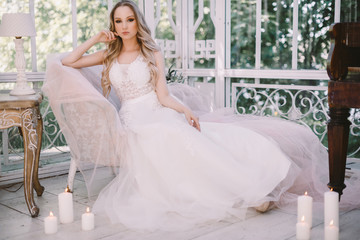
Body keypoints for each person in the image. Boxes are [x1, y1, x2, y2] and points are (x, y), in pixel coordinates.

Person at [45, 0, 359, 232]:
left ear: (137, 23)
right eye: (118, 22)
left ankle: (251, 192)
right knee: (163, 139)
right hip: (133, 120)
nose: (124, 26)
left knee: (185, 134)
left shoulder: (152, 52)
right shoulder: (108, 53)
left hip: (156, 111)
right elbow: (69, 62)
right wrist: (95, 39)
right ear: (113, 26)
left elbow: (164, 95)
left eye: (129, 20)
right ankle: (241, 197)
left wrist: (185, 110)